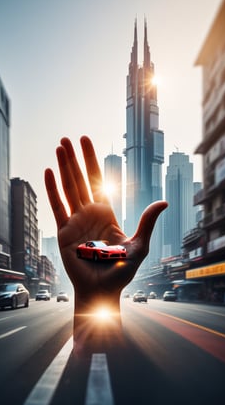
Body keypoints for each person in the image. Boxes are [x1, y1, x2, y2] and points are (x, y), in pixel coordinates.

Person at [44, 136, 168, 353]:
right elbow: (95, 359)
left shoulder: (108, 251)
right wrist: (89, 294)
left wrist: (94, 295)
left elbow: (94, 359)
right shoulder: (91, 249)